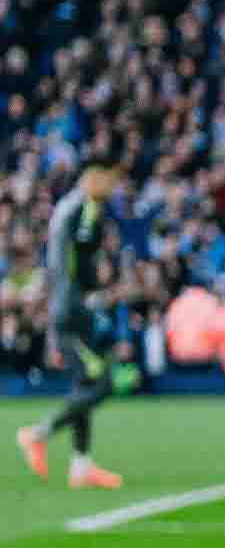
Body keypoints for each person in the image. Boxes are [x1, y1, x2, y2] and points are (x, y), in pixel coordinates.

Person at [16, 165, 125, 488]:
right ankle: (38, 434)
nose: (113, 188)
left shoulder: (71, 207)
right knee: (103, 382)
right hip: (72, 311)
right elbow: (73, 261)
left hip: (69, 307)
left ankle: (81, 467)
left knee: (84, 384)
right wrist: (86, 295)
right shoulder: (84, 208)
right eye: (110, 180)